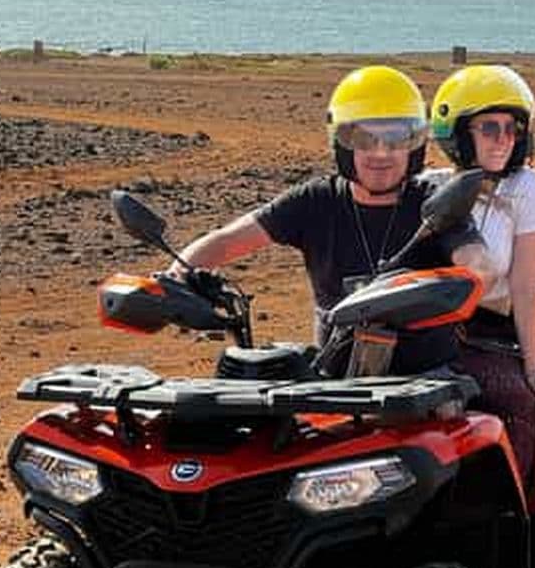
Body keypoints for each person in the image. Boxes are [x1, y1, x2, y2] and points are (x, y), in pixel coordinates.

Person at [168, 65, 493, 374]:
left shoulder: (433, 202)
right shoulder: (316, 200)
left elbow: (477, 263)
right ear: (342, 144)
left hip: (426, 381)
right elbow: (227, 241)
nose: (381, 152)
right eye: (364, 139)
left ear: (415, 146)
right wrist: (173, 277)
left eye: (396, 139)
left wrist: (454, 283)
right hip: (334, 381)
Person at [429, 64, 535, 480]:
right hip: (429, 333)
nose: (503, 139)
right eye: (489, 128)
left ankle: (512, 505)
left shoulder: (526, 188)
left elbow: (527, 286)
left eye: (511, 129)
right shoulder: (430, 186)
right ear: (458, 134)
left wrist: (533, 366)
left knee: (512, 396)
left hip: (492, 334)